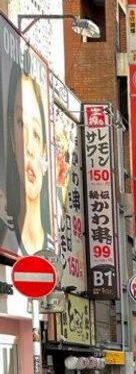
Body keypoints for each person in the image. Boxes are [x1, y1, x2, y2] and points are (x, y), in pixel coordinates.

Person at [17, 74, 49, 256]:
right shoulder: (6, 235)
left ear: (45, 150)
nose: (29, 147)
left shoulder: (54, 244)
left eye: (36, 134)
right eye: (21, 124)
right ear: (13, 139)